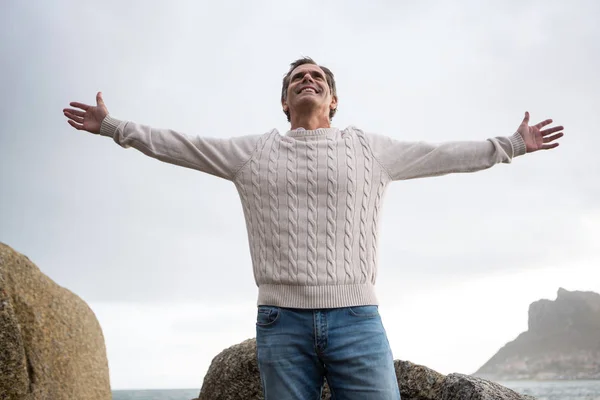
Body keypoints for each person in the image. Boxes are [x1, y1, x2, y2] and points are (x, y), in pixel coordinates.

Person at [63, 57, 563, 400]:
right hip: (281, 324)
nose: (308, 79)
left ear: (335, 100)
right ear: (284, 102)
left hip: (357, 319)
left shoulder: (370, 149)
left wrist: (512, 144)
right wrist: (114, 127)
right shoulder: (252, 153)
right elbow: (180, 144)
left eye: (318, 76)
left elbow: (443, 155)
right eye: (298, 77)